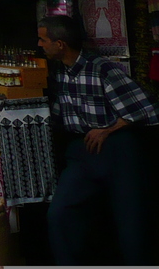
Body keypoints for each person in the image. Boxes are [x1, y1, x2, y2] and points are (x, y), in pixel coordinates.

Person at [38, 14, 158, 265]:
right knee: (60, 213)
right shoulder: (60, 73)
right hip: (82, 151)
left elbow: (148, 110)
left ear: (60, 44)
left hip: (117, 149)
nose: (40, 45)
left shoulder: (102, 69)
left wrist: (109, 129)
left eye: (43, 40)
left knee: (130, 222)